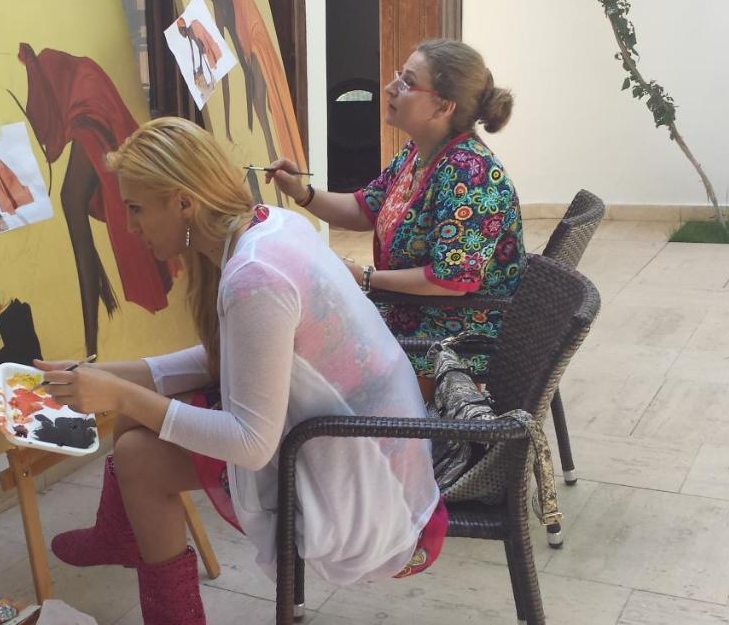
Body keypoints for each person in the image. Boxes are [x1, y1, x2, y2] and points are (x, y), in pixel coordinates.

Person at [33, 118, 443, 625]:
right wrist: (103, 376)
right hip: (360, 446)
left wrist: (120, 394)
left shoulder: (254, 277)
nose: (130, 226)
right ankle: (121, 534)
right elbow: (231, 356)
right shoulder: (270, 224)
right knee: (135, 423)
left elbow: (251, 444)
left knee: (138, 455)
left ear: (184, 203)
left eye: (136, 208)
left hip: (363, 487)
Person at [267, 38, 524, 384]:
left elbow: (450, 281)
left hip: (454, 337)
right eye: (398, 76)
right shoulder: (418, 153)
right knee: (300, 328)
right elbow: (365, 208)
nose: (390, 87)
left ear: (442, 107)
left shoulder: (472, 174)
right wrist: (302, 193)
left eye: (407, 82)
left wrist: (365, 278)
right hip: (413, 312)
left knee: (306, 352)